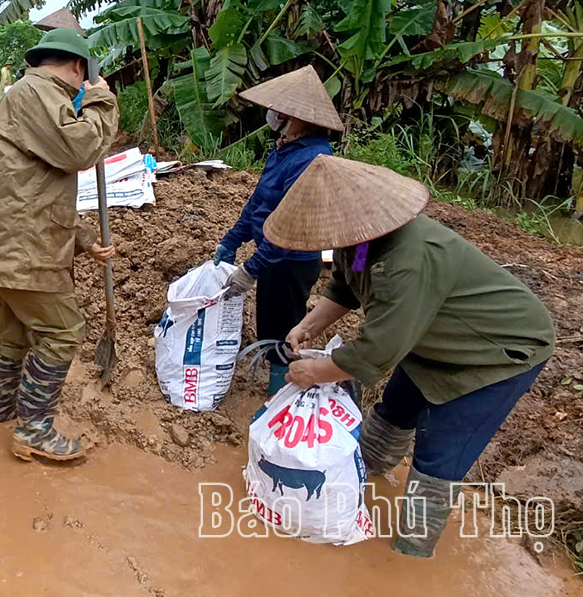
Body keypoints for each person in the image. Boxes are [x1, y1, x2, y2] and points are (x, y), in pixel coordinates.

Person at [264, 155, 555, 558]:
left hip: (496, 354)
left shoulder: (406, 261)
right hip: (432, 339)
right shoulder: (361, 242)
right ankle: (360, 480)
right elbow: (346, 289)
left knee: (439, 451)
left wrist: (314, 372)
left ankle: (410, 553)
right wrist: (309, 326)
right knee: (394, 411)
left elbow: (377, 350)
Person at [0, 28, 119, 463]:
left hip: (4, 246)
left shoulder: (24, 93)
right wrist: (102, 102)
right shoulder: (41, 92)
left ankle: (6, 410)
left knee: (14, 330)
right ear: (79, 67)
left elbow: (31, 185)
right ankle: (34, 430)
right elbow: (79, 149)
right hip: (20, 251)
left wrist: (81, 238)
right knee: (63, 330)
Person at [212, 65, 343, 396]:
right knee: (270, 323)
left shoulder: (313, 159)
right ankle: (278, 380)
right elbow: (261, 201)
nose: (274, 115)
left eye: (282, 111)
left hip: (290, 261)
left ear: (301, 119)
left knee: (285, 327)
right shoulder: (285, 149)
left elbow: (289, 228)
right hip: (272, 256)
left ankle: (282, 392)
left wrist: (251, 268)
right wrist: (232, 239)